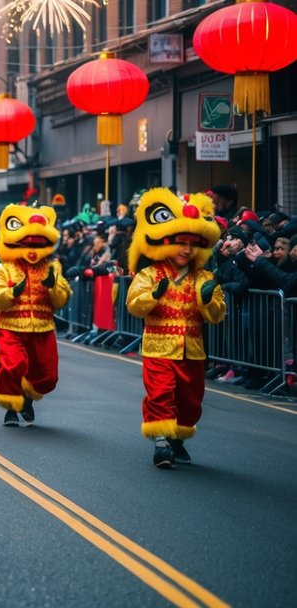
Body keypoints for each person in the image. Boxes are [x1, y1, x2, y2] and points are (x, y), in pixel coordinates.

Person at [125, 189, 224, 468]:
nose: (186, 250)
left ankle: (177, 438)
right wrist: (154, 295)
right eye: (180, 243)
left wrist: (207, 300)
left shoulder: (204, 277)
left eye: (191, 244)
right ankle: (161, 443)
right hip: (158, 348)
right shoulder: (150, 274)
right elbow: (133, 305)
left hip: (192, 351)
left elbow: (217, 314)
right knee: (160, 394)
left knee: (190, 402)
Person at [0, 204, 71, 427]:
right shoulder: (4, 269)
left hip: (43, 330)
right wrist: (11, 293)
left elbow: (62, 300)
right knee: (13, 365)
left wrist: (54, 287)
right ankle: (11, 408)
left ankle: (27, 398)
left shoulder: (52, 268)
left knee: (48, 377)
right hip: (11, 328)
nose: (32, 250)